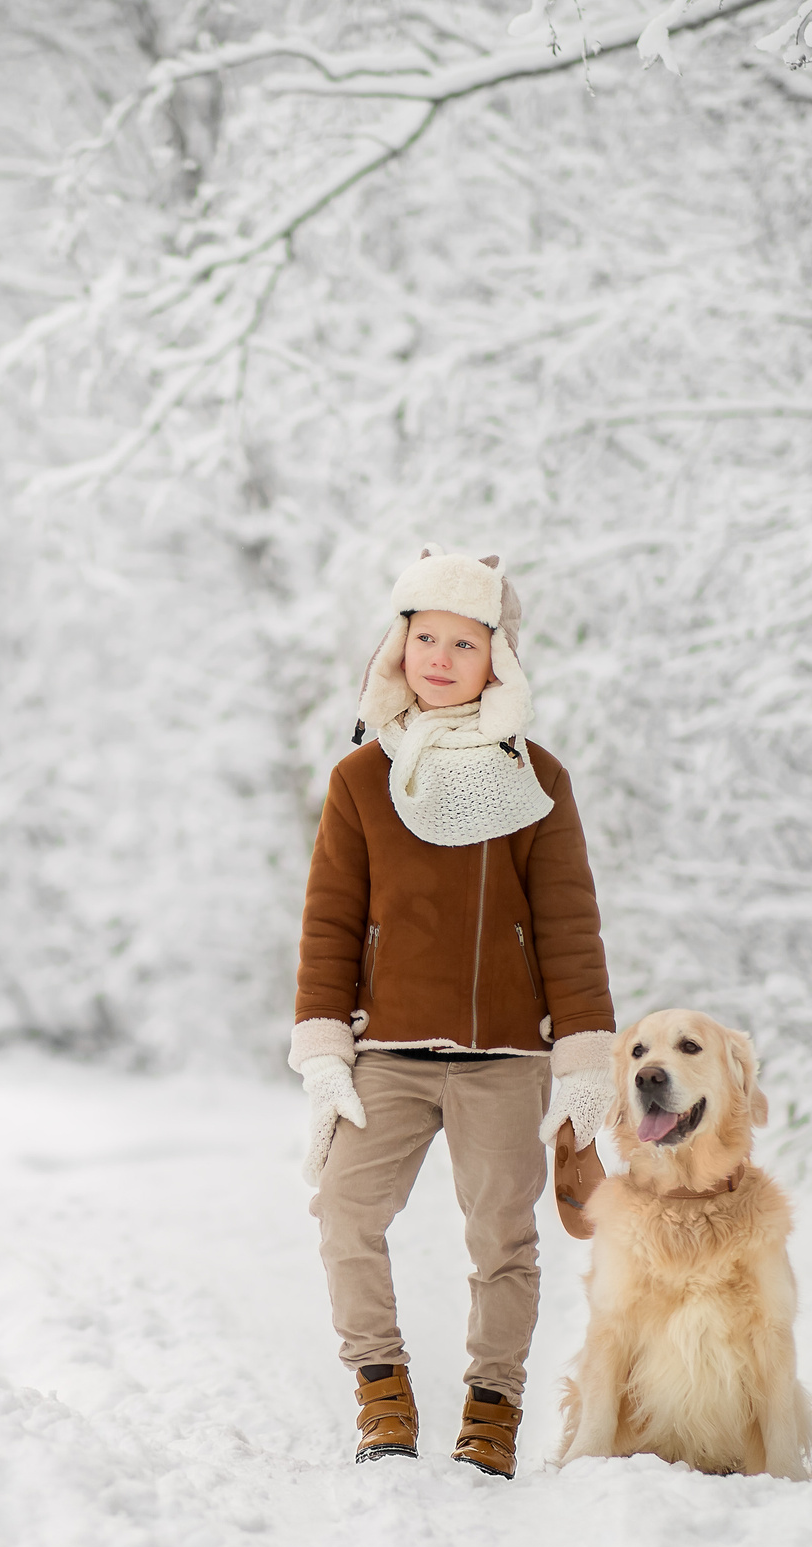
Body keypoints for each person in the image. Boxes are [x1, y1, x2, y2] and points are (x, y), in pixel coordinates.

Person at [288, 548, 615, 1477]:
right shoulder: (361, 779)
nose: (439, 656)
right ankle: (380, 1392)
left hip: (508, 1058)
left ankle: (493, 1406)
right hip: (384, 1053)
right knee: (344, 1209)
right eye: (423, 636)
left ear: (495, 657)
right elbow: (329, 924)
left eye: (462, 642)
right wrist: (323, 1053)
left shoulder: (536, 780)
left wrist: (585, 1062)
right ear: (398, 648)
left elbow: (568, 925)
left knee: (502, 1237)